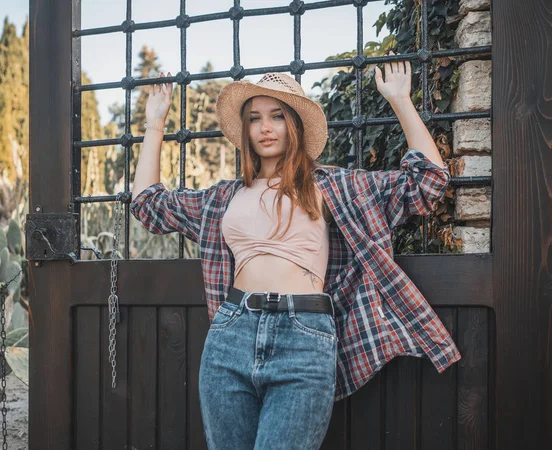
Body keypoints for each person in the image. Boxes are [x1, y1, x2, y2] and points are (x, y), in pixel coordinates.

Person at [130, 53, 462, 450]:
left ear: (296, 125)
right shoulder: (222, 197)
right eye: (254, 118)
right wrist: (155, 123)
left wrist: (400, 100)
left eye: (277, 116)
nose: (264, 128)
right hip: (230, 333)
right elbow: (148, 205)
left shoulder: (334, 187)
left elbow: (427, 182)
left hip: (304, 335)